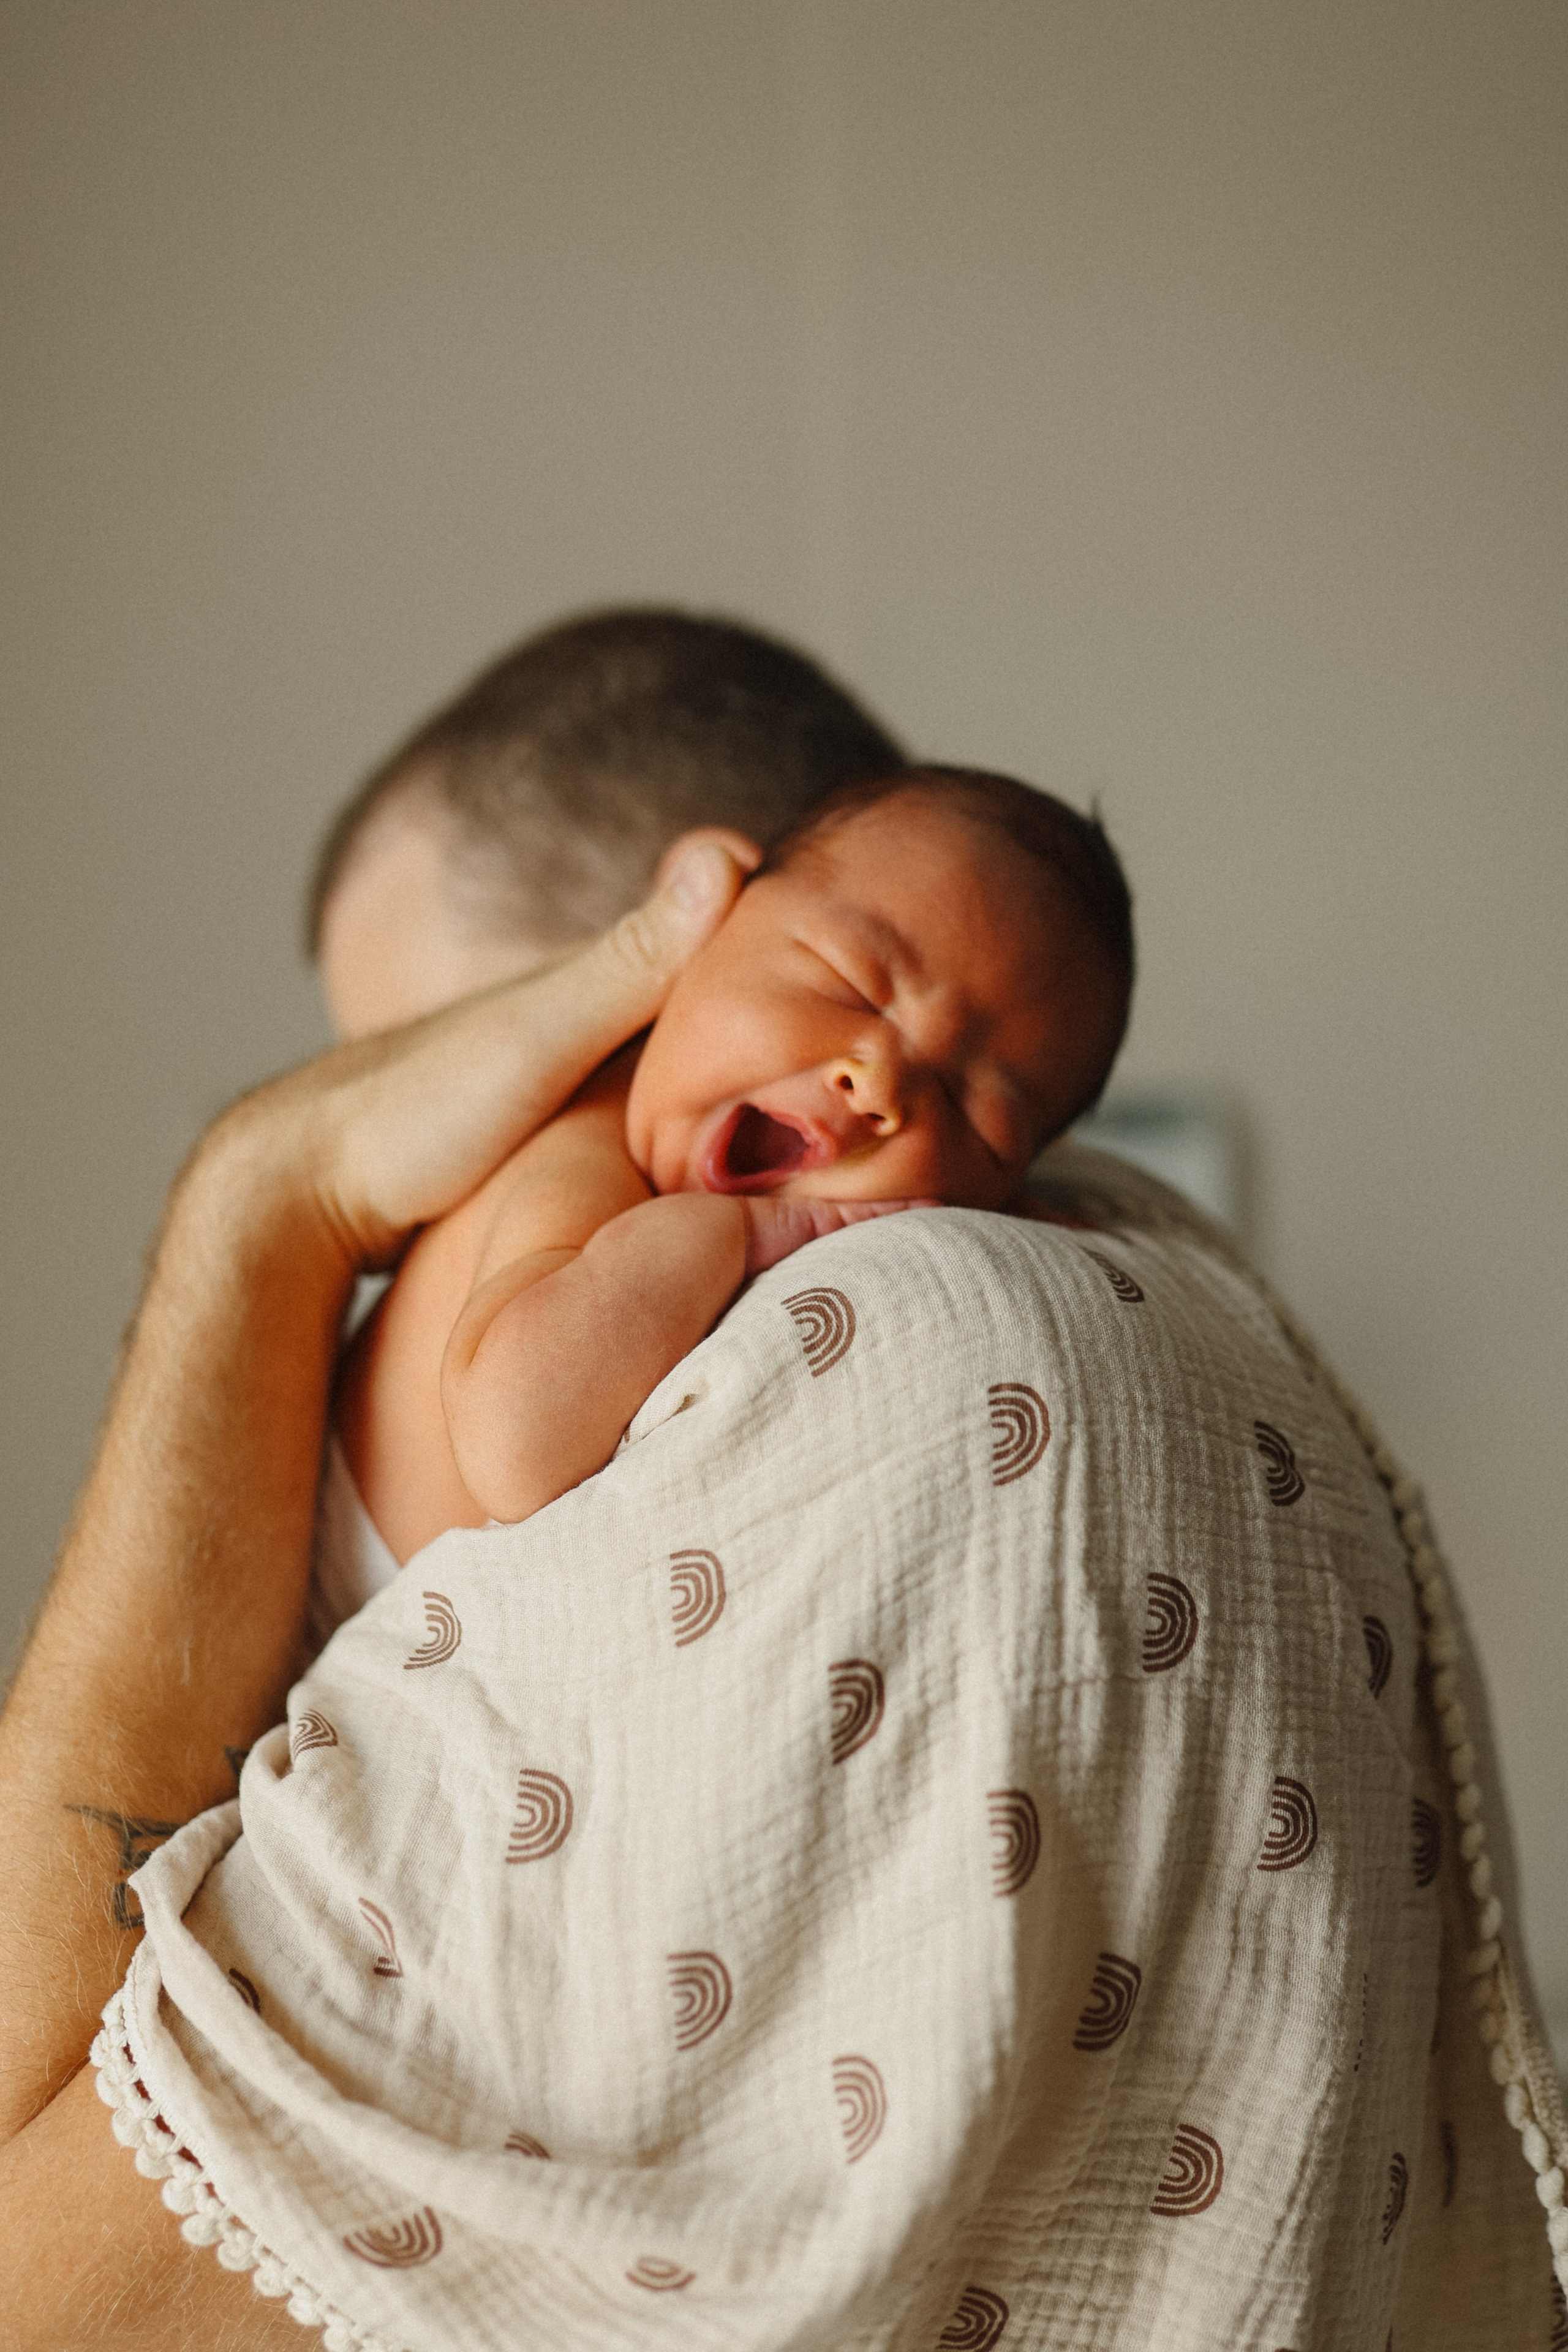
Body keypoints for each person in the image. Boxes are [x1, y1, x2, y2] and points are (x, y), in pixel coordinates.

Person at [333, 767, 1132, 1576]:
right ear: (709, 914)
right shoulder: (584, 1148)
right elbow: (519, 1442)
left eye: (974, 1112)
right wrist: (742, 1230)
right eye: (850, 980)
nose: (881, 1081)